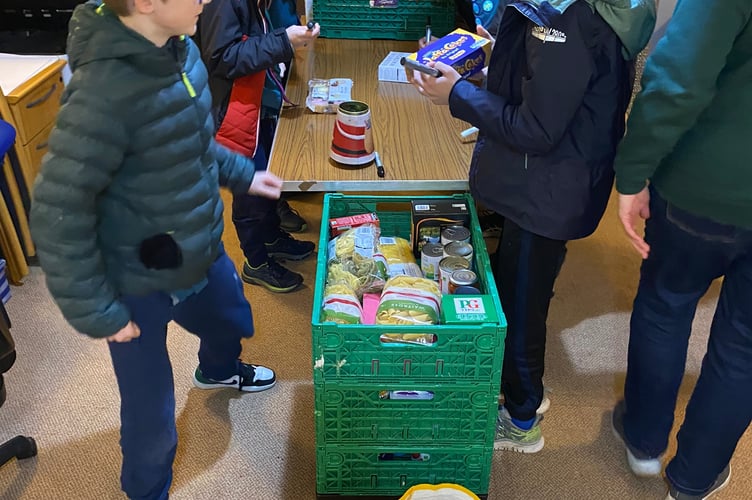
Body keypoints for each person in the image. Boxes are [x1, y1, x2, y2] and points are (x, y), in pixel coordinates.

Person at [29, 0, 283, 498]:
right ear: (148, 3)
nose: (209, 1)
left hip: (198, 244)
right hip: (134, 278)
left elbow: (191, 141)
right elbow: (58, 213)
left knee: (232, 316)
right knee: (151, 418)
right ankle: (147, 491)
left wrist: (241, 173)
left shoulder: (181, 51)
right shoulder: (103, 95)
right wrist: (98, 312)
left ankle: (218, 370)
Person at [410, 0, 655, 453]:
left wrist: (458, 96)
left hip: (546, 188)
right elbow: (541, 89)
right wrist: (471, 77)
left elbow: (536, 128)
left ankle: (522, 418)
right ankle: (520, 395)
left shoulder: (569, 20)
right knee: (521, 286)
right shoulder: (568, 14)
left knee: (523, 306)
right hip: (552, 178)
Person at [609, 0, 752, 498]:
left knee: (665, 308)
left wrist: (633, 172)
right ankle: (692, 479)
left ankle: (644, 441)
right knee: (745, 348)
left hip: (703, 189)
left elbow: (678, 80)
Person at [195, 0, 319, 294]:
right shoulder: (223, 4)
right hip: (229, 111)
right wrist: (283, 41)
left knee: (268, 178)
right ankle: (256, 262)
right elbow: (222, 57)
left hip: (253, 101)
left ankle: (272, 238)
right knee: (250, 189)